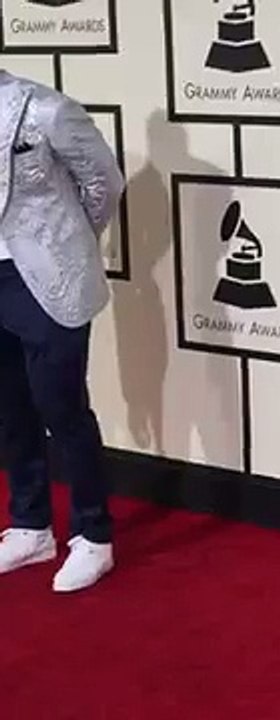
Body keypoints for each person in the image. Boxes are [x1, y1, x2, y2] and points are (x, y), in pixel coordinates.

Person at [0, 70, 125, 592]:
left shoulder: (44, 108)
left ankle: (93, 534)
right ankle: (31, 525)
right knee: (9, 409)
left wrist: (70, 243)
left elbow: (104, 183)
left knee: (62, 408)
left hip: (50, 278)